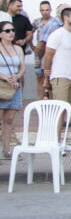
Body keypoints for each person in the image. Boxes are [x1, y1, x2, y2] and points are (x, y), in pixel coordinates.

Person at [0, 20, 25, 159]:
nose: (11, 33)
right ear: (1, 34)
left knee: (9, 119)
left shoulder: (18, 49)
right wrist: (5, 78)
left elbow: (22, 67)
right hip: (1, 85)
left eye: (13, 30)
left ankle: (6, 149)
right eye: (7, 31)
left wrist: (16, 77)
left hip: (14, 86)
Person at [31, 1, 53, 98]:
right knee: (39, 76)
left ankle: (52, 100)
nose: (45, 12)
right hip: (39, 52)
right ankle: (40, 100)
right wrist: (32, 46)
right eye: (42, 10)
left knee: (50, 77)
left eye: (47, 10)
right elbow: (29, 33)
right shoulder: (37, 21)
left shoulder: (55, 22)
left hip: (51, 51)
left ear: (50, 10)